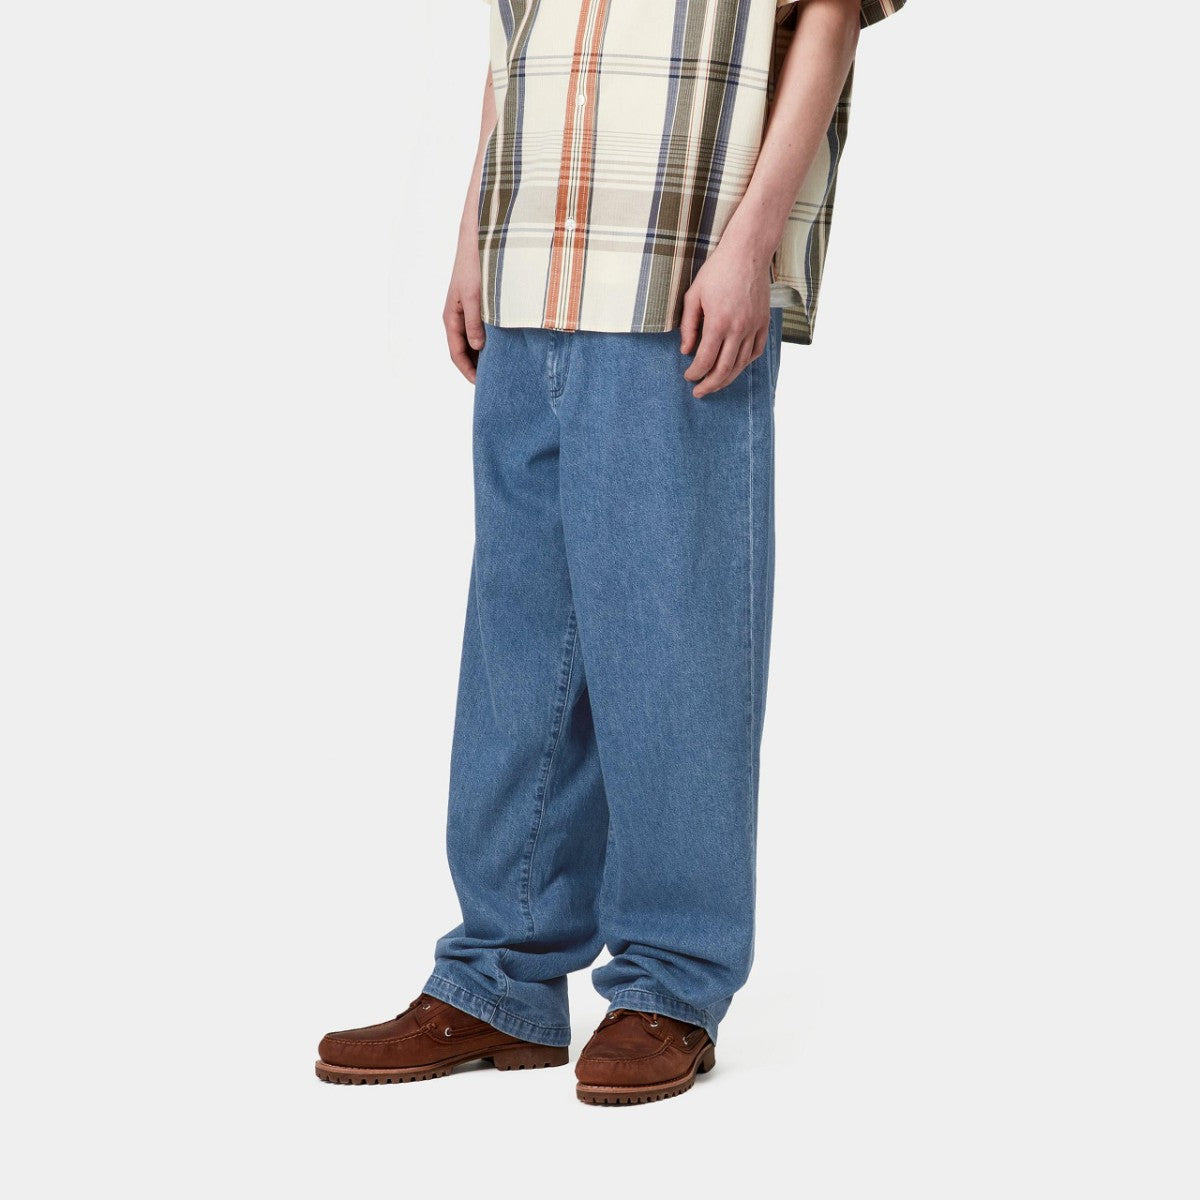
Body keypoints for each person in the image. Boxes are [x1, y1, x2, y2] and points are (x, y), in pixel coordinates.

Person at [316, 0, 905, 1106]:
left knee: (676, 641)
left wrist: (753, 246)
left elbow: (827, 20)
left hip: (679, 273)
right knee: (517, 650)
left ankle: (672, 983)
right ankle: (499, 979)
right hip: (528, 261)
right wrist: (474, 237)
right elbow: (512, 45)